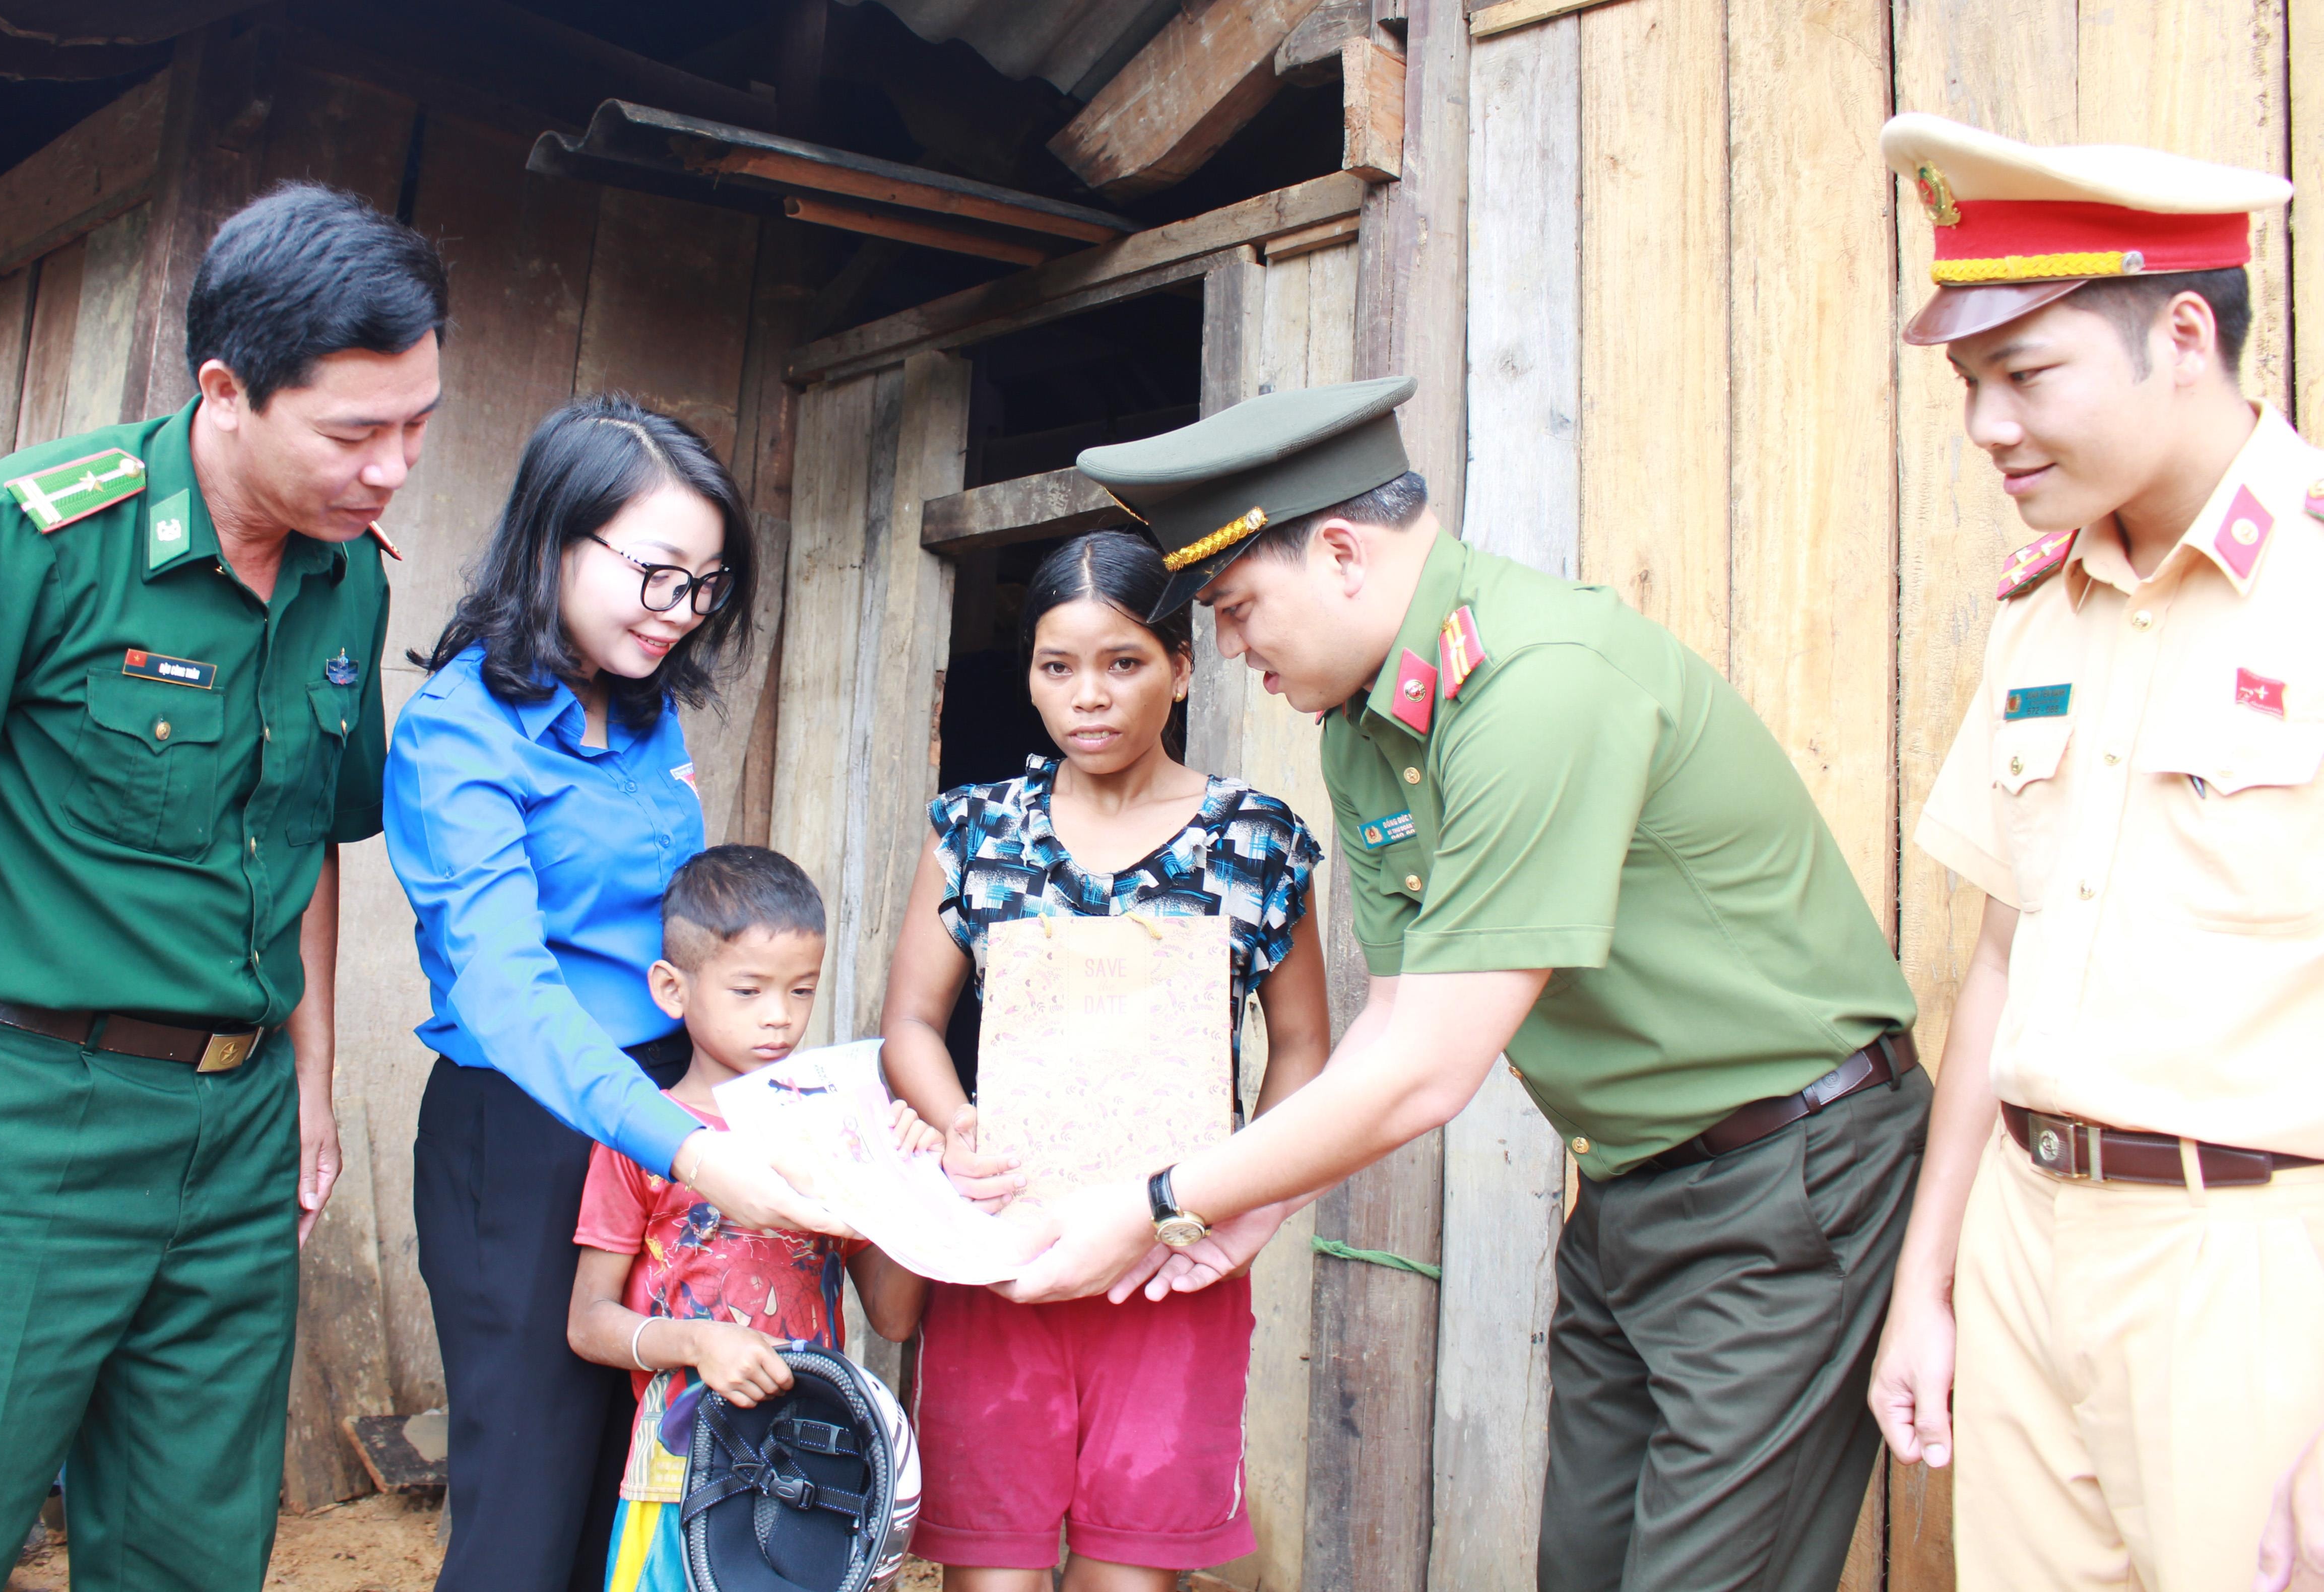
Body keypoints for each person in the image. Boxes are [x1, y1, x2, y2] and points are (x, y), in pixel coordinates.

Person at [1009, 378, 1931, 1591]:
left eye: (1236, 608)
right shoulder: (1363, 729)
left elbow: (1434, 1069)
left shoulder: (1536, 682)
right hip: (1634, 1192)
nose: (1229, 649)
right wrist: (1265, 1202)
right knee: (1585, 1568)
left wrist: (1161, 1197)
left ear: (1339, 551)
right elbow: (1391, 1019)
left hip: (1785, 1184)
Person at [0, 182, 443, 1591]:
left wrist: (310, 1081)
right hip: (21, 1124)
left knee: (190, 1552)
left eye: (417, 426)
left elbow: (309, 841)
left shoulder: (349, 584)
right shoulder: (27, 535)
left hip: (234, 1137)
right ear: (227, 390)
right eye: (355, 432)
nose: (394, 469)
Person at [1856, 115, 2324, 1592]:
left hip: (2250, 1266)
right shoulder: (2038, 607)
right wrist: (1927, 1282)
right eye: (1968, 385)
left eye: (2023, 374)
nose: (1987, 426)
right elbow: (2002, 956)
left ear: (2181, 333)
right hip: (2026, 1237)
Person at [386, 399, 849, 1592]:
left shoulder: (649, 716)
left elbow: (688, 934)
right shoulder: (458, 730)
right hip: (533, 1127)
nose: (680, 609)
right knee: (530, 1496)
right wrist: (690, 1152)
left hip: (667, 1110)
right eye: (656, 572)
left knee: (646, 1481)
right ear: (554, 540)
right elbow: (507, 986)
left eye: (704, 584)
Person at [878, 530, 1330, 1590]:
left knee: (1132, 1575)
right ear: (1030, 676)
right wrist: (955, 1127)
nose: (1090, 696)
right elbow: (909, 1021)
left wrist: (1239, 1200)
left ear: (1181, 665)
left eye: (1124, 663)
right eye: (1058, 666)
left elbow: (1306, 1044)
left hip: (1170, 1264)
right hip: (1005, 1249)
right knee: (993, 1570)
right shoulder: (976, 830)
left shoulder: (1256, 839)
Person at [568, 844, 930, 1592]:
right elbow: (588, 1323)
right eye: (749, 990)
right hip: (677, 1463)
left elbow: (895, 1316)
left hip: (810, 1459)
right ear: (673, 988)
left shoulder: (831, 1133)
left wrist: (908, 1180)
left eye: (801, 991)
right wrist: (698, 1342)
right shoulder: (646, 1138)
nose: (779, 1017)